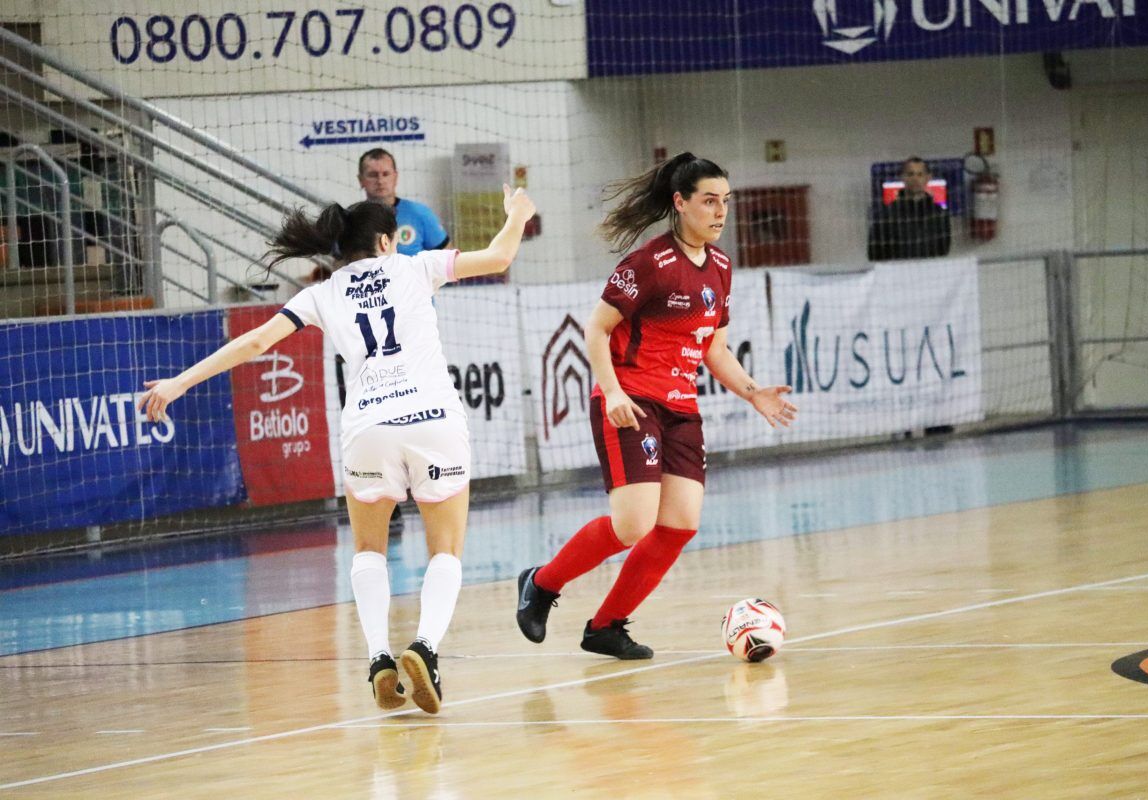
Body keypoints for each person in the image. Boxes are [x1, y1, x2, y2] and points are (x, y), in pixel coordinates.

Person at [137, 185, 536, 713]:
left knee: (368, 552)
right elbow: (502, 256)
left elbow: (255, 343)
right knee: (446, 551)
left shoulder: (321, 293)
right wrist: (516, 214)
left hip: (368, 428)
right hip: (433, 419)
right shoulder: (417, 267)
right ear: (386, 243)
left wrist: (179, 383)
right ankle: (425, 649)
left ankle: (377, 659)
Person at [514, 152, 797, 660]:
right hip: (632, 399)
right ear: (680, 203)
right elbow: (595, 329)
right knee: (633, 524)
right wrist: (615, 392)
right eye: (709, 201)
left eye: (726, 202)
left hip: (682, 408)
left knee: (679, 526)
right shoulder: (649, 263)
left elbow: (714, 348)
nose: (720, 212)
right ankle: (542, 583)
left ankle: (605, 627)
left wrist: (753, 391)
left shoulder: (721, 269)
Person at [358, 148, 451, 256]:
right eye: (373, 175)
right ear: (361, 180)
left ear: (395, 177)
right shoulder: (352, 219)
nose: (380, 181)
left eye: (386, 174)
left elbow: (447, 257)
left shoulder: (420, 213)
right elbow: (339, 262)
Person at [867, 156, 951, 261]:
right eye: (910, 174)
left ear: (928, 178)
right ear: (902, 177)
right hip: (896, 273)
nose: (915, 179)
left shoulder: (939, 214)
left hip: (929, 272)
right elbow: (875, 253)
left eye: (920, 174)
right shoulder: (885, 215)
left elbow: (943, 249)